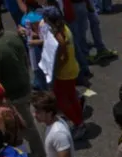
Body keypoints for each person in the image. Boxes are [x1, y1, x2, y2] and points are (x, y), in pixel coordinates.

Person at [0, 11, 46, 157]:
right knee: (24, 122)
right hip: (25, 84)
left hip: (13, 94)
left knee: (26, 125)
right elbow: (25, 57)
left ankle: (40, 156)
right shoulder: (13, 35)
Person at [40, 8, 88, 140]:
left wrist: (53, 72)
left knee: (61, 102)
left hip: (64, 73)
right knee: (72, 96)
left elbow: (62, 57)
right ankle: (79, 121)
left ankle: (78, 124)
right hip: (72, 69)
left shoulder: (59, 35)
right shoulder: (64, 27)